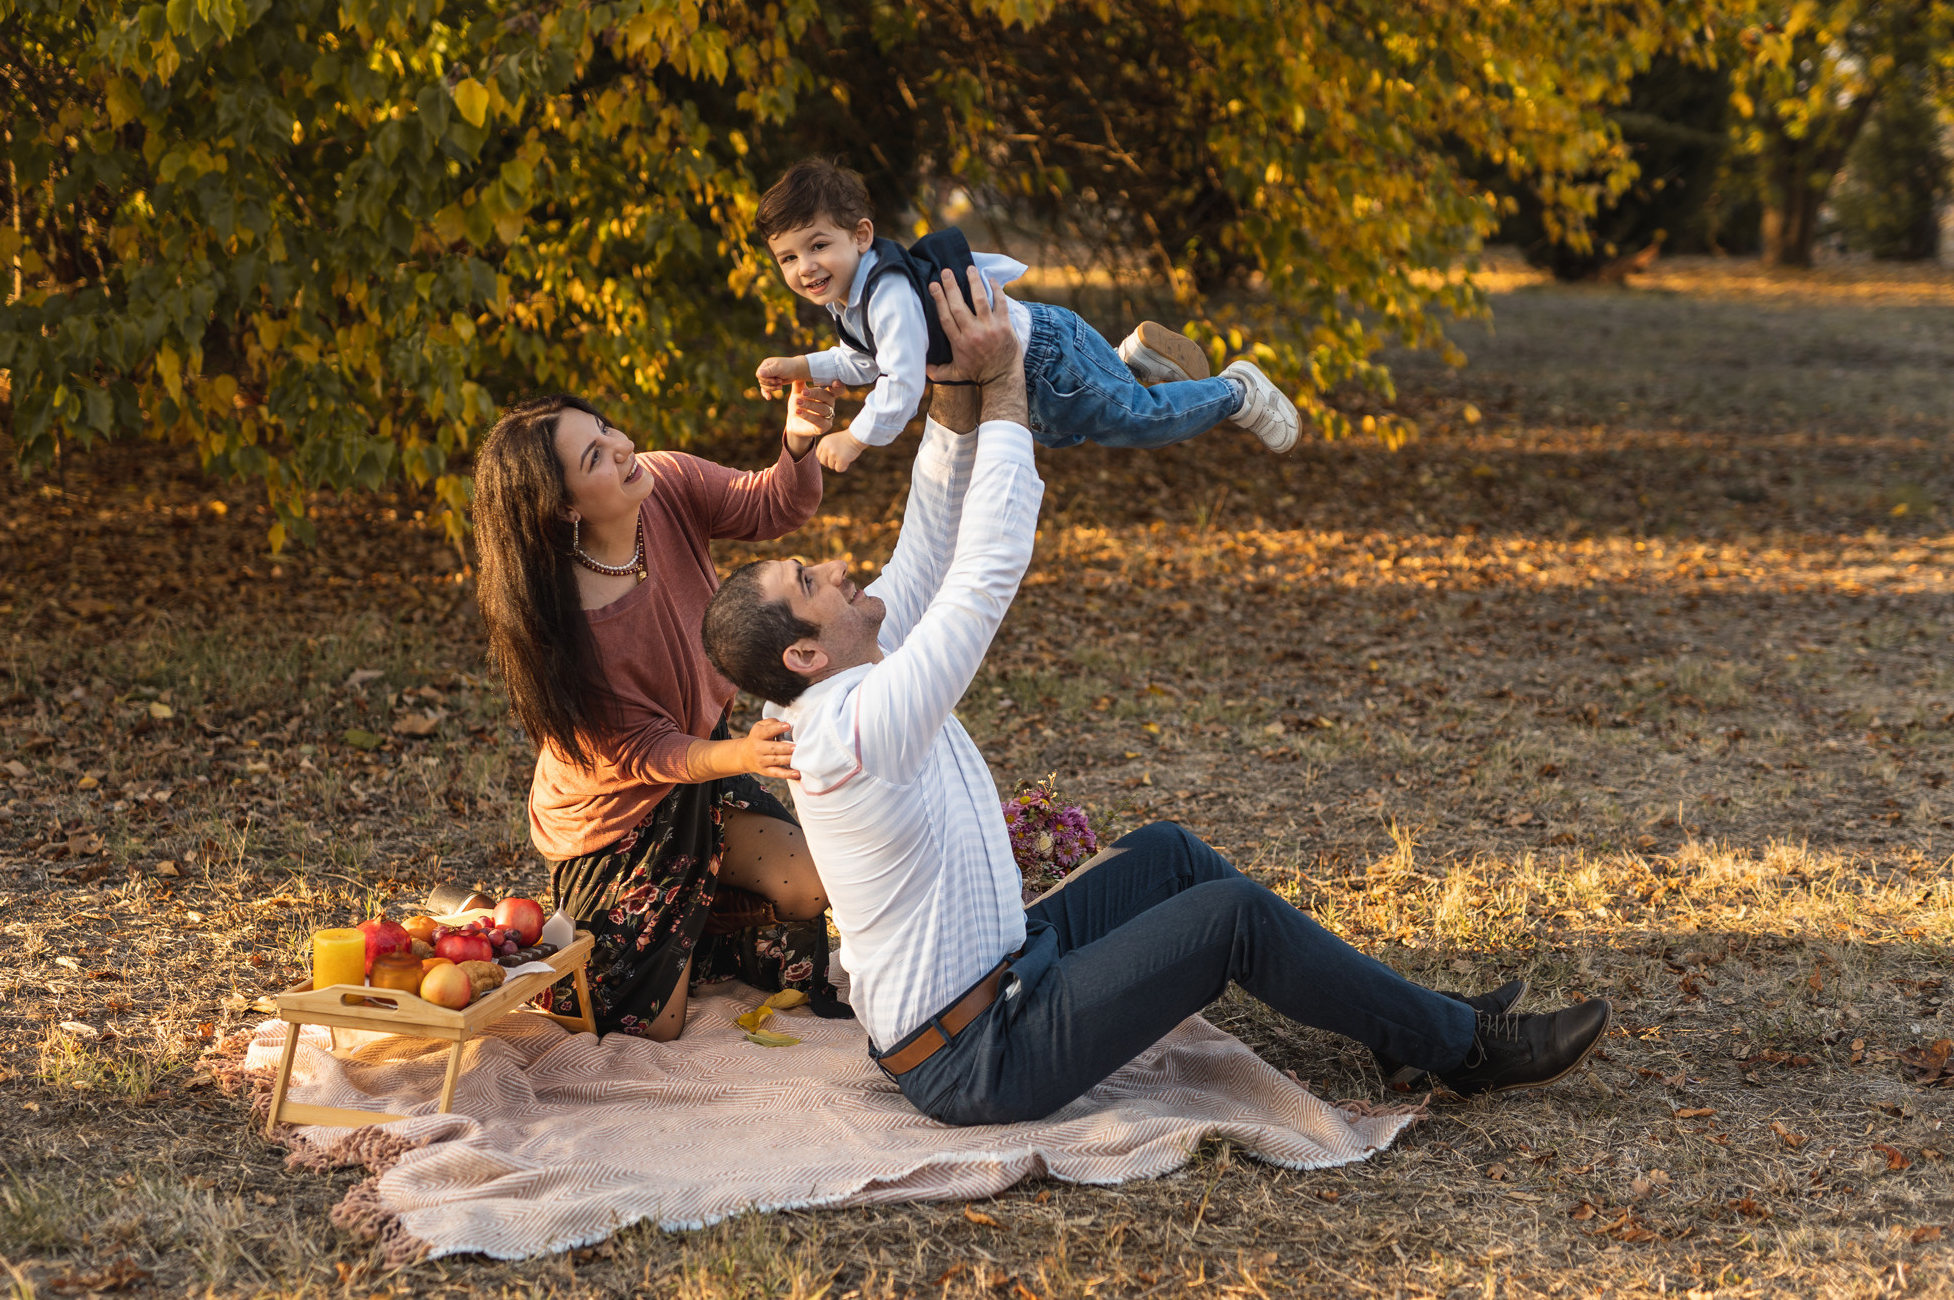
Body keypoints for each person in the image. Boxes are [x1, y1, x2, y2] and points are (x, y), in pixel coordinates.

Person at [702, 268, 1610, 1123]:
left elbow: (932, 533)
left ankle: (1411, 1031)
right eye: (811, 578)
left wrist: (950, 375)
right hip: (978, 1051)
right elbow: (983, 570)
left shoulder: (850, 671)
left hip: (1010, 965)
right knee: (1230, 920)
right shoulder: (861, 725)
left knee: (1171, 854)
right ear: (809, 654)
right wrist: (1008, 377)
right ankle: (1463, 1050)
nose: (837, 564)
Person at [471, 382, 852, 1040]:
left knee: (808, 885)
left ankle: (692, 931)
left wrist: (797, 440)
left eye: (605, 428)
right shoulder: (566, 624)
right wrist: (739, 755)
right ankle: (503, 930)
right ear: (561, 508)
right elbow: (645, 752)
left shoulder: (666, 484)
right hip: (619, 818)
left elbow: (773, 502)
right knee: (648, 1024)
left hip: (700, 767)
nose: (622, 447)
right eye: (594, 456)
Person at [749, 158, 1301, 475]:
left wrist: (857, 437)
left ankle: (1238, 392)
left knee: (1139, 420)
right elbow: (861, 360)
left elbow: (900, 380)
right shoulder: (852, 297)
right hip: (1032, 367)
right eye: (789, 258)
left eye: (818, 246)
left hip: (1043, 359)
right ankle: (1127, 358)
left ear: (861, 235)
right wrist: (801, 365)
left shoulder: (886, 293)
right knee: (1069, 434)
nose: (805, 268)